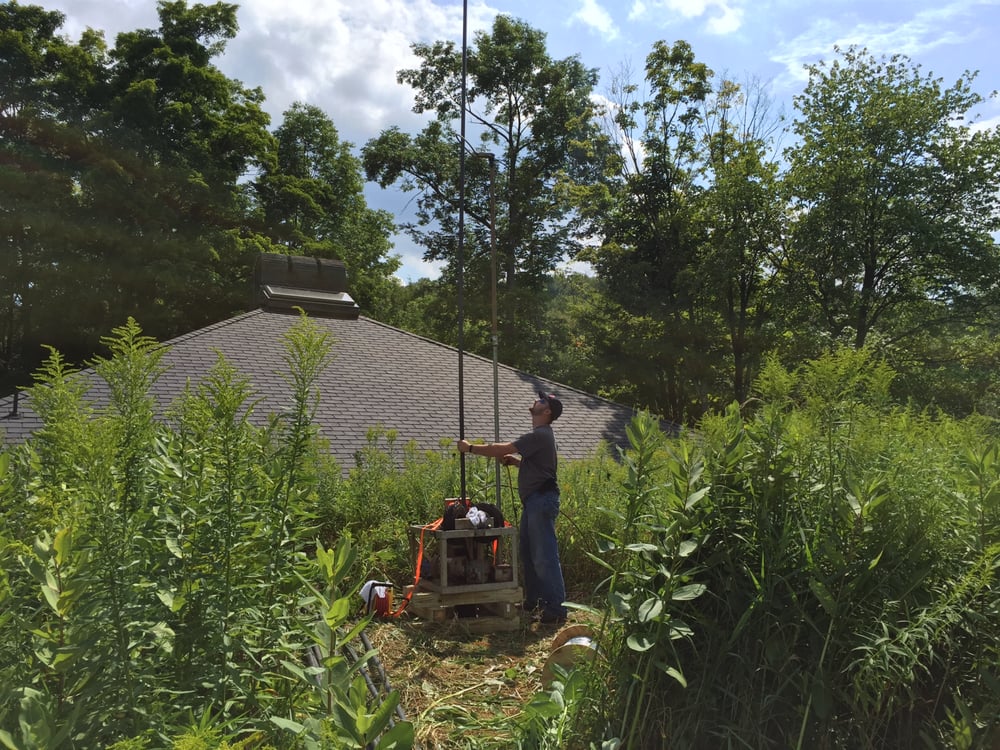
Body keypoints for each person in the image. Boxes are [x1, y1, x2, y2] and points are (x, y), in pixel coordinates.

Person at [457, 391, 568, 624]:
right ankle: (535, 601)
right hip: (534, 502)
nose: (536, 401)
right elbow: (537, 467)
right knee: (528, 554)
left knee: (543, 557)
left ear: (547, 412)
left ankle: (556, 610)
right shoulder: (541, 437)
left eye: (542, 401)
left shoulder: (540, 435)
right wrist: (517, 463)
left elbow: (502, 448)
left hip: (541, 500)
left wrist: (470, 449)